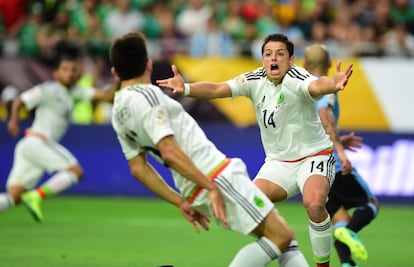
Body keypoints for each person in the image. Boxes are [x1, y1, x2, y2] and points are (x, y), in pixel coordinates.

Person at [110, 32, 309, 267]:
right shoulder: (149, 95)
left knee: (281, 237)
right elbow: (169, 151)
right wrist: (210, 185)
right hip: (213, 175)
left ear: (114, 72)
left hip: (193, 186)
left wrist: (180, 201)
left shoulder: (118, 111)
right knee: (282, 237)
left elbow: (138, 169)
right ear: (149, 64)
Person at [157, 33, 354, 267]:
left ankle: (323, 264)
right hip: (278, 163)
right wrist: (186, 88)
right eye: (268, 54)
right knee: (249, 207)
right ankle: (285, 246)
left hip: (314, 156)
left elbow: (317, 85)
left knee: (313, 204)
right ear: (262, 59)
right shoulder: (253, 80)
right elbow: (217, 88)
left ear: (291, 60)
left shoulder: (298, 77)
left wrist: (334, 84)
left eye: (280, 54)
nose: (274, 59)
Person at [0, 53, 117, 222]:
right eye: (65, 69)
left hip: (31, 146)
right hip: (38, 141)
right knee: (75, 172)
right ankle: (36, 196)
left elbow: (106, 96)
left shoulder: (76, 92)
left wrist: (119, 80)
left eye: (73, 70)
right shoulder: (48, 89)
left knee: (14, 197)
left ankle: (32, 196)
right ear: (55, 73)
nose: (69, 73)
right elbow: (20, 100)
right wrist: (13, 121)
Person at [304, 43, 380, 267]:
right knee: (371, 204)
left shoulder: (302, 89)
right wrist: (339, 150)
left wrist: (338, 141)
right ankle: (349, 233)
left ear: (305, 65)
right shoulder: (325, 89)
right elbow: (324, 115)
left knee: (340, 221)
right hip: (333, 165)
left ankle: (346, 264)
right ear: (329, 63)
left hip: (312, 172)